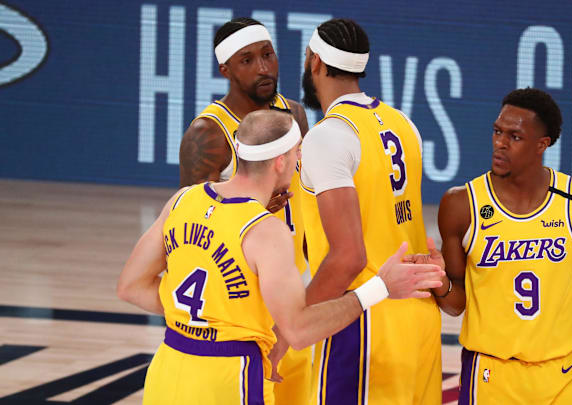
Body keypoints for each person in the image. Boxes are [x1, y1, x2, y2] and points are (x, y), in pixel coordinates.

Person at [117, 110, 444, 405]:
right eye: (297, 152)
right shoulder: (265, 232)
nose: (300, 158)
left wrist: (199, 316)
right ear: (280, 162)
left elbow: (130, 286)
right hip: (229, 379)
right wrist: (380, 287)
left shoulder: (183, 200)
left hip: (167, 366)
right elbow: (299, 331)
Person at [409, 88, 572, 404]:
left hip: (563, 374)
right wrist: (439, 282)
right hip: (492, 375)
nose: (500, 143)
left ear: (541, 145)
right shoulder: (461, 205)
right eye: (497, 132)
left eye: (514, 137)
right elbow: (456, 304)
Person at [298, 18, 442, 404]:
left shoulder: (328, 137)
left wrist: (295, 321)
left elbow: (348, 256)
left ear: (315, 62)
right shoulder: (404, 125)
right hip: (420, 318)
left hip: (365, 320)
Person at [177, 17, 311, 403]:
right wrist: (250, 208)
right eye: (247, 60)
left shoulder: (294, 114)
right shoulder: (209, 133)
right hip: (241, 296)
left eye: (267, 55)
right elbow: (191, 218)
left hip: (293, 284)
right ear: (226, 70)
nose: (264, 68)